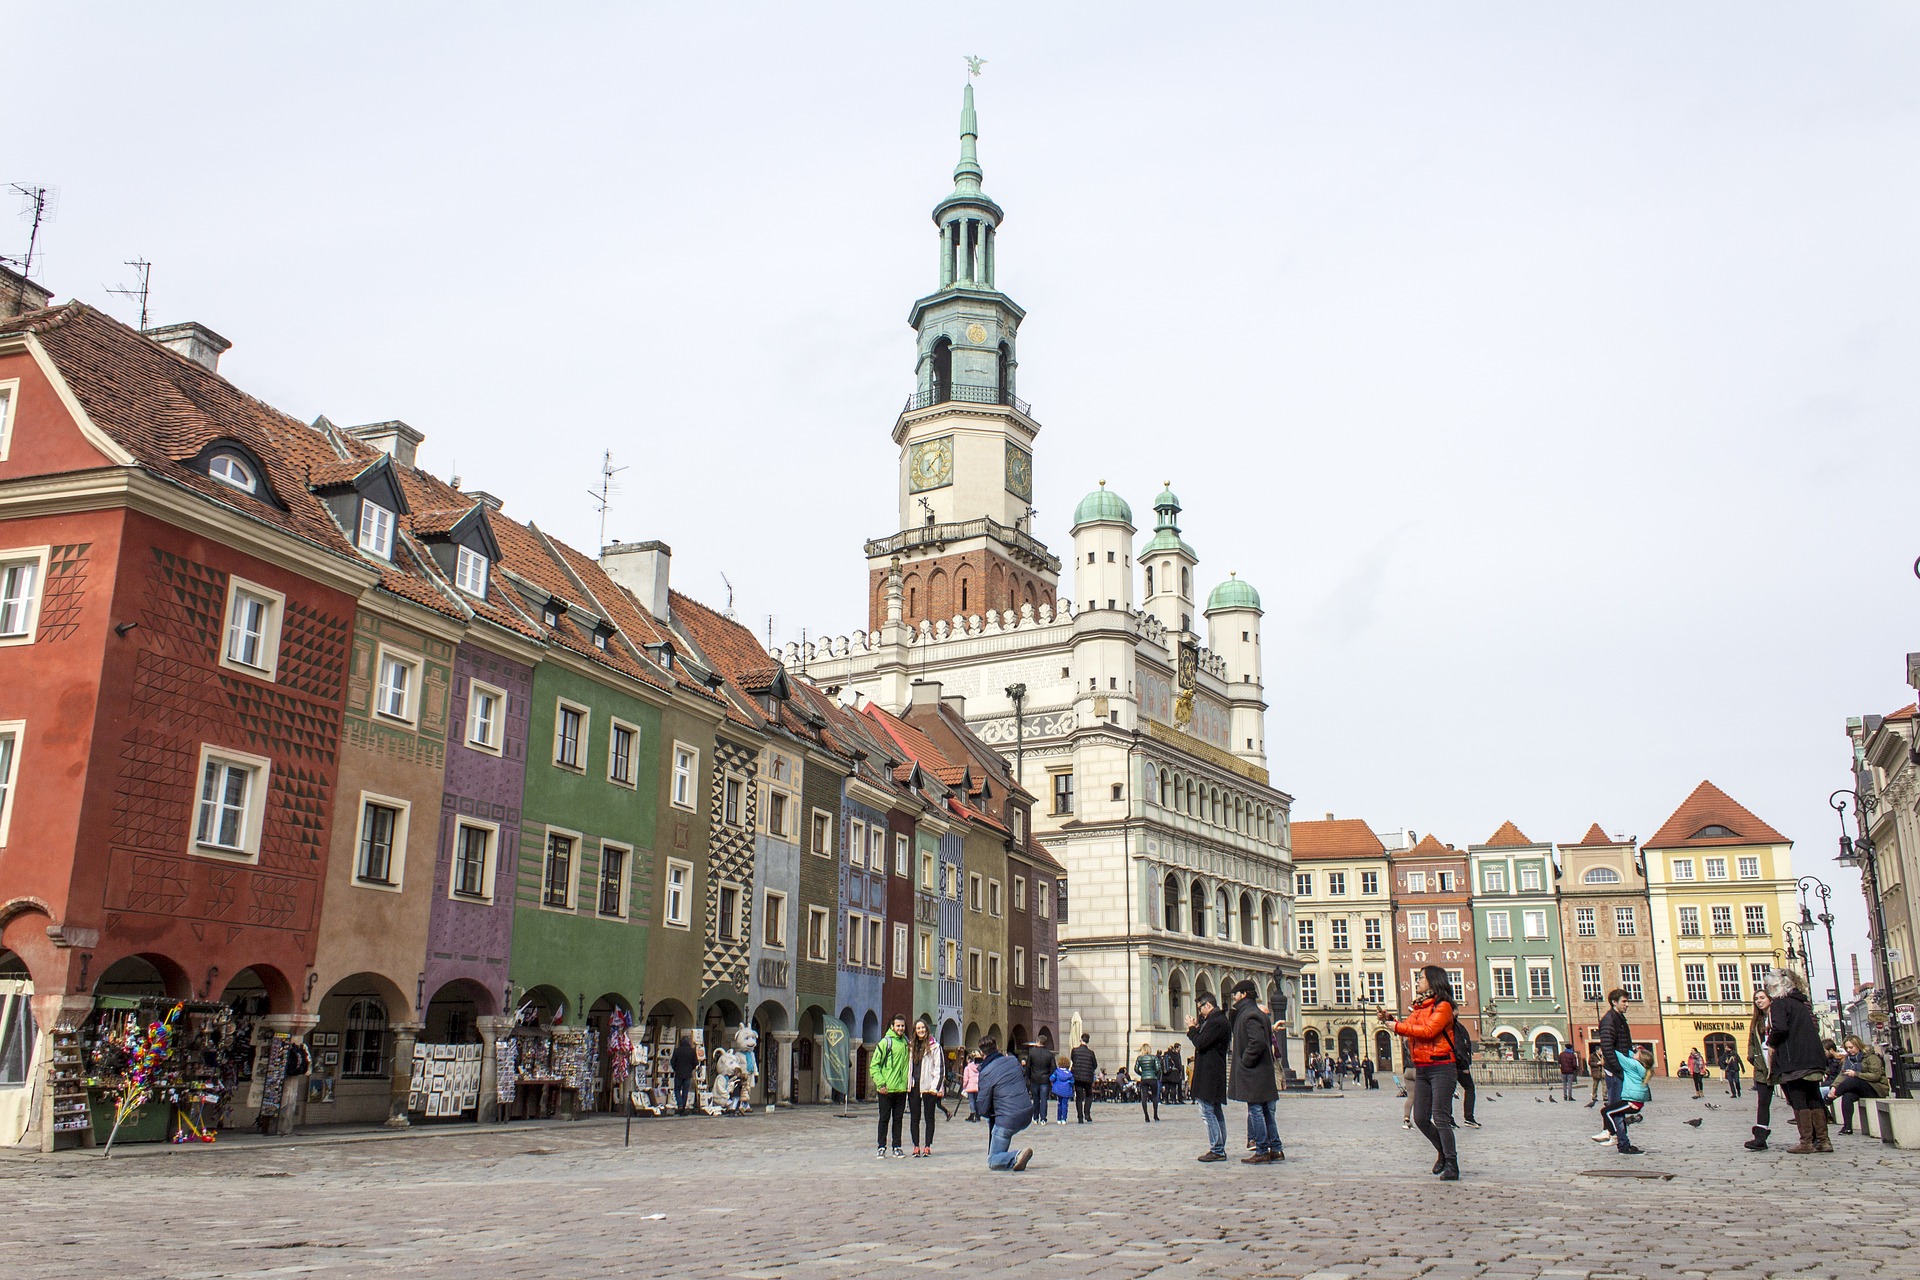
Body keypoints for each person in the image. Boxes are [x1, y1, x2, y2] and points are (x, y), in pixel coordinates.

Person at [1380, 964, 1460, 1180]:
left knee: (1441, 1117)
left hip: (1442, 1067)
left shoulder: (1442, 1007)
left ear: (1433, 981)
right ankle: (1442, 1151)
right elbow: (1409, 1028)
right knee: (1421, 1118)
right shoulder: (1419, 1007)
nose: (1417, 982)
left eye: (1421, 978)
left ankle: (1452, 1164)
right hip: (1422, 1068)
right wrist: (1392, 1020)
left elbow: (1428, 1031)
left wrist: (1396, 1027)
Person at [1767, 971, 1830, 1155]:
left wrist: (1771, 1042)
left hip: (1794, 1058)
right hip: (1813, 1056)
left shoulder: (1780, 1002)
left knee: (1799, 1099)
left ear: (1776, 987)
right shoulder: (1802, 1002)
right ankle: (1824, 1141)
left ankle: (1806, 1142)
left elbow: (1780, 1027)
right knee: (1814, 1097)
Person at [1228, 979, 1282, 1164]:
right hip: (1262, 1071)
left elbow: (1257, 1042)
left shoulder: (1249, 1014)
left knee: (1256, 1109)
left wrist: (1245, 1062)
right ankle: (1275, 1148)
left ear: (1243, 994)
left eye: (1235, 994)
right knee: (1266, 1110)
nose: (1233, 998)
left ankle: (1261, 1149)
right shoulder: (1255, 1013)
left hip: (1255, 1071)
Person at [972, 1035, 1034, 1171]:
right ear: (998, 1048)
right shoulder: (1013, 1061)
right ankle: (1014, 1157)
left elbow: (982, 1107)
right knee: (1001, 1140)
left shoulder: (986, 1072)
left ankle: (1017, 1156)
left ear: (982, 1053)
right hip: (1027, 1112)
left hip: (1007, 1119)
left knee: (993, 1160)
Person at [1186, 993, 1231, 1162]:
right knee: (1216, 1110)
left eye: (1200, 1008)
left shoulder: (1216, 1022)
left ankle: (1217, 1149)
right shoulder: (1217, 1021)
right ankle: (1219, 1147)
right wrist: (1198, 1028)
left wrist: (1192, 1029)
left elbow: (1201, 1043)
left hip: (1209, 1073)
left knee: (1207, 1112)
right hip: (1213, 1071)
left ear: (1208, 1006)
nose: (1199, 1012)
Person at [1590, 989, 1633, 1144]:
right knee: (1616, 1108)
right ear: (1614, 1002)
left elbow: (1624, 1045)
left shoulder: (1619, 1019)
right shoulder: (1610, 1020)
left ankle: (1617, 1137)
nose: (1627, 1005)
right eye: (1624, 1001)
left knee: (1618, 1107)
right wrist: (1618, 1069)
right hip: (1615, 1072)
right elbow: (1608, 1048)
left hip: (1620, 1069)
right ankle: (1619, 1140)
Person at [1599, 1045, 1655, 1154]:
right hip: (1635, 1101)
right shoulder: (1641, 1067)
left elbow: (1619, 1056)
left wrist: (1607, 1045)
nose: (1634, 1053)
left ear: (1639, 1058)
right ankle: (1610, 1133)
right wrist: (1630, 1050)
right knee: (1609, 1111)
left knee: (1607, 1112)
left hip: (1632, 1102)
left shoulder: (1633, 1065)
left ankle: (1612, 1134)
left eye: (1637, 1053)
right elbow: (1629, 1055)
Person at [1831, 1034, 1889, 1135]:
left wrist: (1857, 1074)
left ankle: (1829, 1099)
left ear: (1858, 1045)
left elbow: (1876, 1076)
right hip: (1859, 1088)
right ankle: (1847, 1127)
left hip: (1876, 1087)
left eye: (1851, 1047)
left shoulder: (1871, 1057)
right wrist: (1834, 1087)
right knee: (1847, 1096)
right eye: (1847, 1048)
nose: (1849, 1050)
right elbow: (1842, 1075)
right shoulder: (1848, 1059)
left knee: (1852, 1080)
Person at [871, 1014, 910, 1159]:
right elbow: (874, 1066)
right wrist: (881, 1083)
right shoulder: (884, 1043)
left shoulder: (906, 1042)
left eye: (902, 1026)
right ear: (892, 1026)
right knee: (884, 1118)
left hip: (901, 1089)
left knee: (898, 1119)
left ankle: (897, 1146)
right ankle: (881, 1146)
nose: (900, 1028)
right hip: (886, 1089)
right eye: (898, 1025)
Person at [1743, 991, 1775, 1150]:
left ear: (1770, 999)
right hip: (1762, 1066)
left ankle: (1810, 1135)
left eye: (1762, 998)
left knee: (1793, 1099)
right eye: (1756, 999)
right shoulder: (1757, 1021)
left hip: (1779, 1065)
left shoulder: (1777, 1017)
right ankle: (1760, 1137)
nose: (1758, 1001)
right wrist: (1752, 1057)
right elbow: (1751, 1041)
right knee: (1763, 1102)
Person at [907, 1016, 943, 1157]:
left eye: (923, 1028)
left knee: (929, 1118)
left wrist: (935, 1088)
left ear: (926, 1029)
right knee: (914, 1117)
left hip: (929, 1087)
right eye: (918, 1028)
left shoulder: (935, 1046)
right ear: (915, 1031)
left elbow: (939, 1068)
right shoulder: (911, 1046)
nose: (921, 1030)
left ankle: (927, 1146)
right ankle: (916, 1146)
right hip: (915, 1086)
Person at [1024, 1038, 1056, 1122]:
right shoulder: (1049, 1054)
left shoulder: (1032, 1053)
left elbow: (1028, 1067)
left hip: (1034, 1079)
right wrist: (1050, 1077)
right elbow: (1053, 1068)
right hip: (1045, 1079)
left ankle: (1035, 1117)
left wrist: (1028, 1077)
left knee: (1036, 1099)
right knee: (1044, 1099)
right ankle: (1043, 1118)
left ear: (1038, 1042)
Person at [1070, 1034, 1098, 1123]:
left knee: (1079, 1097)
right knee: (1089, 1095)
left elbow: (1073, 1060)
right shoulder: (1091, 1053)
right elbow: (1095, 1065)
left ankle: (1080, 1117)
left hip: (1077, 1077)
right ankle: (1087, 1113)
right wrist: (1089, 1069)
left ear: (1081, 1040)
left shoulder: (1074, 1051)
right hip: (1087, 1077)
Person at [1134, 1041, 1162, 1121]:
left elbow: (1136, 1069)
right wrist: (1155, 1074)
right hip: (1153, 1078)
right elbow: (1158, 1068)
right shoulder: (1154, 1057)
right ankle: (1155, 1115)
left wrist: (1142, 1074)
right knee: (1154, 1096)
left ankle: (1146, 1116)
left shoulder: (1139, 1058)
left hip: (1144, 1079)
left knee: (1144, 1097)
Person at [670, 1033, 697, 1116]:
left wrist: (676, 1069)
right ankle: (683, 1107)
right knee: (685, 1091)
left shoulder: (677, 1050)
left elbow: (672, 1061)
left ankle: (680, 1104)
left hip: (678, 1073)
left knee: (677, 1090)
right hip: (688, 1074)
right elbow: (695, 1062)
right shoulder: (692, 1051)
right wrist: (690, 1069)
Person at [963, 1051, 982, 1122]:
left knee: (971, 1101)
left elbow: (966, 1079)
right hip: (978, 1087)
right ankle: (978, 1115)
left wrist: (964, 1086)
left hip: (970, 1087)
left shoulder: (967, 1068)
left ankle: (973, 1113)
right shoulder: (979, 1067)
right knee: (977, 1101)